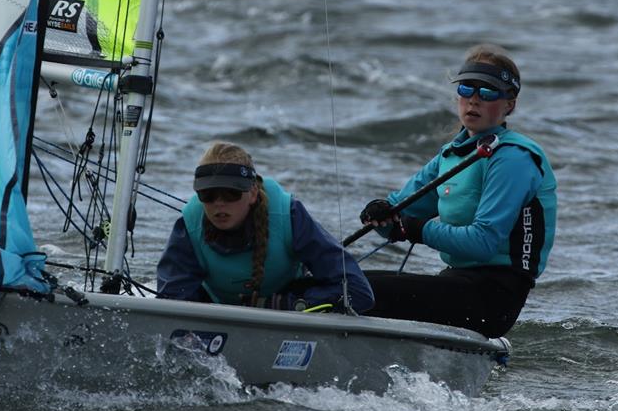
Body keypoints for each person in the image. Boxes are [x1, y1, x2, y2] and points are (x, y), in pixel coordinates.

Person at [359, 43, 556, 338]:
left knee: (351, 290)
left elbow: (483, 242)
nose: (474, 100)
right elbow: (399, 217)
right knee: (342, 281)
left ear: (509, 105)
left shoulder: (514, 157)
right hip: (456, 285)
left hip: (494, 297)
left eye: (487, 92)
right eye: (466, 90)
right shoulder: (453, 154)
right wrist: (381, 215)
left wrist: (417, 230)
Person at [158, 141, 374, 314]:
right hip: (214, 309)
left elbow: (357, 291)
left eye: (231, 193)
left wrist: (288, 306)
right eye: (208, 195)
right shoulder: (188, 226)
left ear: (252, 193)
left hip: (288, 307)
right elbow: (171, 301)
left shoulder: (289, 215)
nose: (219, 203)